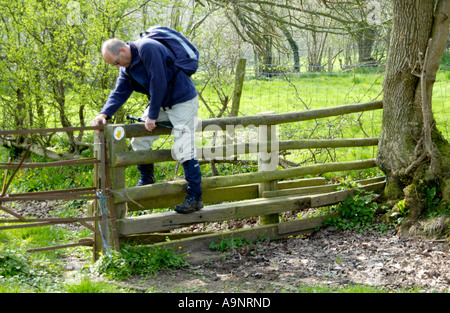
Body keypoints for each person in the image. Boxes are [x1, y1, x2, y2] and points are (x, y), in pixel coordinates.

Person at [92, 37, 203, 214]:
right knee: (139, 140)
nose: (117, 66)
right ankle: (147, 180)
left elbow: (158, 81)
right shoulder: (127, 68)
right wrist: (104, 114)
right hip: (161, 102)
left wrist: (152, 115)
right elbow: (120, 91)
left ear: (122, 50)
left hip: (182, 100)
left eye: (116, 62)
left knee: (184, 146)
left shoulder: (148, 48)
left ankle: (195, 196)